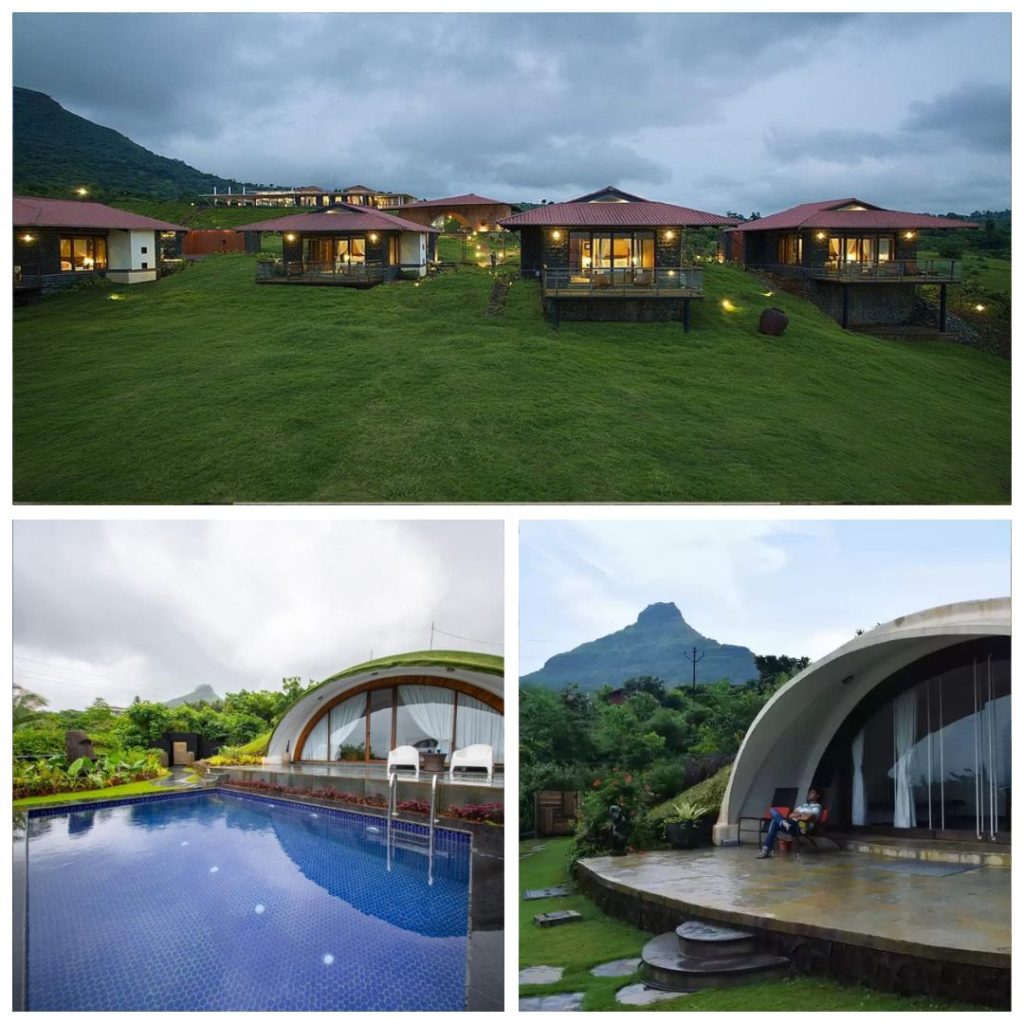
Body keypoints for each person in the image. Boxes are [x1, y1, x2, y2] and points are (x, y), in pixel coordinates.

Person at [755, 787, 822, 859]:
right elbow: (790, 815)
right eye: (809, 792)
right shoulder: (804, 805)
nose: (809, 794)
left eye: (812, 793)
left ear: (817, 796)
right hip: (791, 824)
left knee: (775, 821)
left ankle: (765, 850)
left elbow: (807, 818)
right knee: (772, 810)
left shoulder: (817, 807)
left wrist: (798, 814)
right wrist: (801, 814)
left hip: (800, 827)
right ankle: (782, 822)